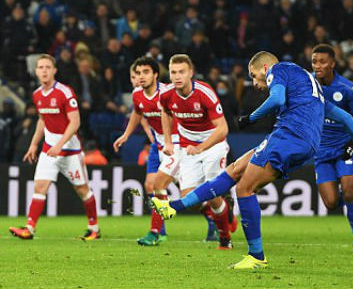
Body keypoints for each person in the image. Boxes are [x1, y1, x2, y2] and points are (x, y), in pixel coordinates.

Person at [152, 51, 353, 269]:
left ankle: (256, 256)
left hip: (289, 137)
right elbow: (346, 118)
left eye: (253, 75)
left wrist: (250, 118)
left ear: (264, 68)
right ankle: (174, 206)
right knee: (235, 170)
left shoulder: (280, 68)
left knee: (244, 189)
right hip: (300, 142)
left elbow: (277, 97)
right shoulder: (310, 86)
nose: (254, 82)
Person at [9, 54, 100, 240]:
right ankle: (29, 228)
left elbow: (75, 122)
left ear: (54, 70)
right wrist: (34, 144)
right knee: (40, 186)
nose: (44, 71)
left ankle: (94, 228)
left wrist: (60, 144)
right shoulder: (36, 95)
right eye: (40, 67)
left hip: (70, 151)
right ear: (36, 71)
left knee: (83, 189)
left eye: (47, 67)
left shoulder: (65, 92)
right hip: (49, 150)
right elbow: (42, 121)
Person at [158, 54, 237, 250]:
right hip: (188, 147)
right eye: (173, 72)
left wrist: (202, 147)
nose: (177, 76)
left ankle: (225, 239)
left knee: (210, 193)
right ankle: (225, 208)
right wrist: (168, 141)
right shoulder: (167, 94)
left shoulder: (205, 93)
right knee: (190, 200)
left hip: (213, 145)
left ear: (190, 73)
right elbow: (165, 112)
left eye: (181, 72)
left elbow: (223, 128)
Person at [311, 44, 353, 256]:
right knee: (330, 202)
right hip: (320, 151)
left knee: (346, 193)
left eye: (322, 62)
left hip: (345, 147)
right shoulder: (306, 85)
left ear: (333, 64)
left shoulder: (347, 88)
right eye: (314, 62)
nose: (318, 66)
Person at [113, 57, 181, 246]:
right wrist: (126, 135)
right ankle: (156, 231)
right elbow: (137, 112)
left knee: (192, 191)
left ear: (155, 74)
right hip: (159, 145)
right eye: (138, 73)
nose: (141, 77)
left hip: (178, 144)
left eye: (146, 72)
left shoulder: (168, 93)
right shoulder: (137, 95)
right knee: (152, 184)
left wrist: (171, 141)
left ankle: (220, 221)